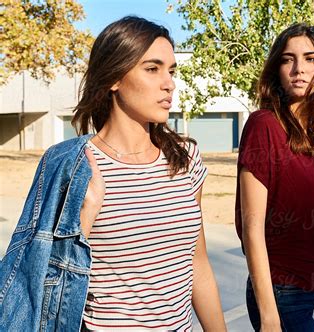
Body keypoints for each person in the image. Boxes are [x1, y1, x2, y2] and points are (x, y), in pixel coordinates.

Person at [0, 16, 226, 331]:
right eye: (152, 69)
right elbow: (35, 279)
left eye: (171, 70)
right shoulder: (73, 165)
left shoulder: (185, 159)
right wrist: (86, 215)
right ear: (114, 78)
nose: (169, 83)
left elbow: (197, 263)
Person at [235, 23, 314, 332]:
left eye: (310, 58)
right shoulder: (264, 126)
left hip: (306, 293)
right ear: (277, 69)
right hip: (281, 296)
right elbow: (252, 227)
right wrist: (269, 317)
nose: (299, 68)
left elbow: (306, 215)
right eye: (288, 59)